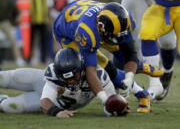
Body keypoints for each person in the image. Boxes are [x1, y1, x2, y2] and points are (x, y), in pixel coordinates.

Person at [52, 0, 164, 112]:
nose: (118, 39)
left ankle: (139, 72)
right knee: (104, 68)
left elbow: (129, 53)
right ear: (101, 28)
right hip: (66, 33)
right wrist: (105, 99)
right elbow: (91, 72)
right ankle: (142, 92)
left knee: (123, 54)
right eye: (114, 35)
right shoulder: (87, 33)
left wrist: (129, 77)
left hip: (91, 20)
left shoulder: (124, 19)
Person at [0, 48, 135, 116]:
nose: (70, 80)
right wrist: (56, 112)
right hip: (40, 81)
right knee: (3, 78)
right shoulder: (53, 75)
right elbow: (46, 100)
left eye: (74, 76)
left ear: (81, 69)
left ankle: (1, 99)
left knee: (8, 106)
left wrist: (117, 108)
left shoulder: (98, 76)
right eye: (66, 77)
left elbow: (109, 104)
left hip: (58, 102)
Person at [121, 0, 177, 101]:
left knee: (168, 42)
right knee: (125, 31)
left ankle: (167, 72)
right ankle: (121, 84)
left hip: (166, 1)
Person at [139, 0, 180, 100]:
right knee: (146, 34)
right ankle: (155, 85)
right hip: (159, 6)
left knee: (168, 43)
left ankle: (167, 72)